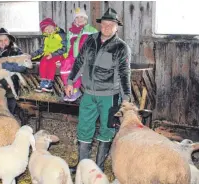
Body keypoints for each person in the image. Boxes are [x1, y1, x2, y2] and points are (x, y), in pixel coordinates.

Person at [66, 8, 132, 173]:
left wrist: (126, 98)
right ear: (100, 24)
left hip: (109, 97)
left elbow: (124, 73)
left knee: (106, 130)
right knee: (84, 128)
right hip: (88, 93)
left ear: (117, 27)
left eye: (111, 24)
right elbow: (79, 61)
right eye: (104, 23)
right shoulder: (90, 40)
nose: (107, 26)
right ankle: (83, 167)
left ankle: (98, 169)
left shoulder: (121, 47)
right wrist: (70, 81)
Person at [60, 7, 98, 102]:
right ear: (74, 19)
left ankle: (76, 90)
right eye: (77, 17)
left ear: (86, 19)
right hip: (72, 56)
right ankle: (68, 88)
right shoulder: (71, 32)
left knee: (78, 68)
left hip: (84, 57)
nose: (80, 19)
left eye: (82, 17)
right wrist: (65, 56)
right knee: (65, 65)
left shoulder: (92, 30)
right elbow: (68, 45)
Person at [31, 18, 67, 92]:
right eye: (46, 29)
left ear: (54, 26)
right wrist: (31, 56)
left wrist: (53, 54)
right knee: (43, 60)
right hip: (49, 56)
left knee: (51, 61)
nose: (49, 30)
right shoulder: (46, 38)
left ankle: (50, 83)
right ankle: (44, 81)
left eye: (50, 27)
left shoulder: (61, 35)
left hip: (60, 55)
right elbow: (41, 50)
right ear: (44, 31)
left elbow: (65, 48)